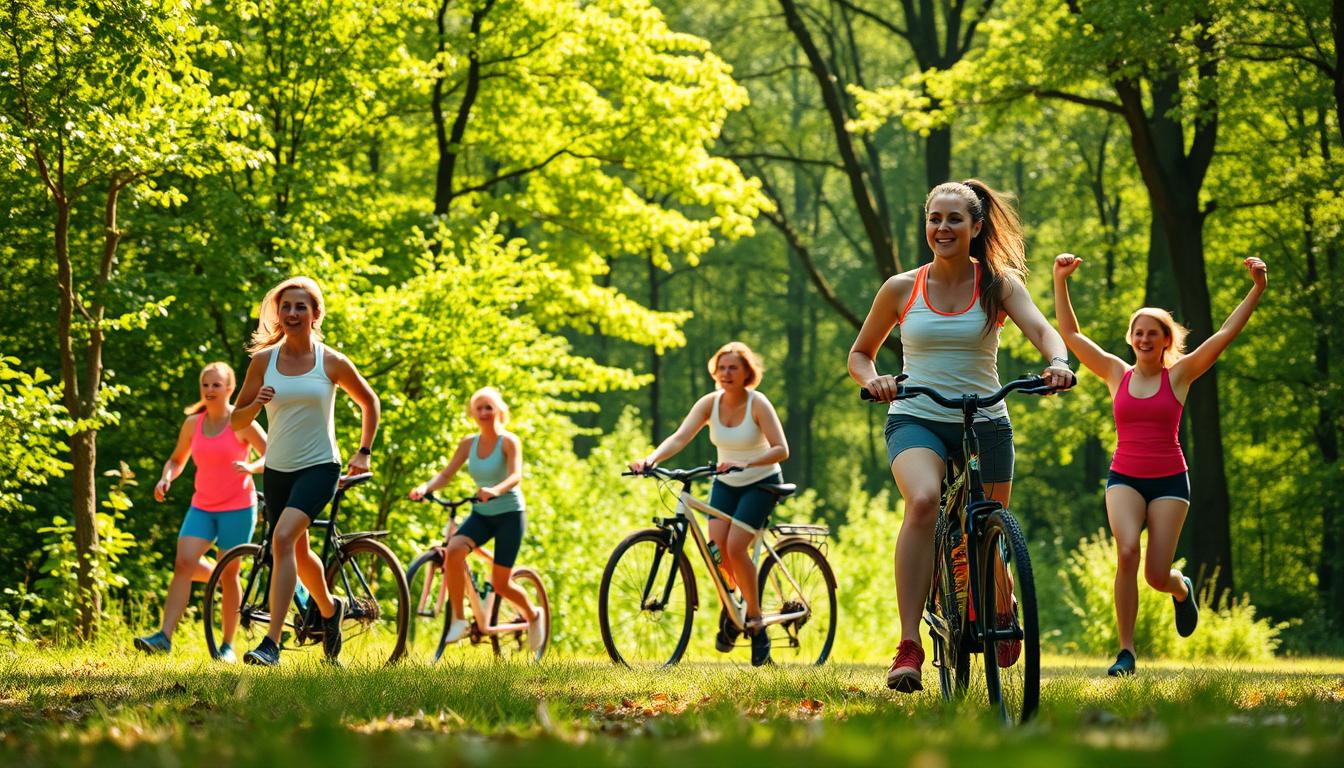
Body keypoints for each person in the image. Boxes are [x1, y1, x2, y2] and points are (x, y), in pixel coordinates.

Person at [849, 180, 1074, 692]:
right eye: (935, 218)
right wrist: (875, 379)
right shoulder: (901, 288)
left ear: (975, 226)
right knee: (924, 502)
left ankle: (999, 596)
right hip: (917, 417)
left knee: (989, 529)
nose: (943, 228)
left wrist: (1058, 362)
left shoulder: (998, 285)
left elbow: (1043, 331)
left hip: (986, 419)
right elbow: (860, 354)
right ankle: (909, 645)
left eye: (954, 219)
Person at [1053, 253, 1267, 676]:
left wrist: (1257, 288)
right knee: (1127, 551)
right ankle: (1126, 652)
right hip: (1124, 479)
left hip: (1170, 481)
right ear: (1131, 338)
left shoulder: (1180, 376)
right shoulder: (1116, 373)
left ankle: (1179, 588)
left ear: (1166, 340)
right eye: (1139, 333)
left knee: (1155, 575)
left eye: (1153, 333)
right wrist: (1060, 281)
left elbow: (1225, 333)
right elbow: (1072, 335)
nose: (1145, 339)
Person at [230, 276, 380, 666]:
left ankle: (271, 644)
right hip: (278, 470)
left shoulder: (331, 361)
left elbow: (369, 402)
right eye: (286, 307)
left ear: (315, 314)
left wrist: (363, 451)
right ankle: (330, 610)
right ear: (278, 314)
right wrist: (256, 404)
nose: (293, 313)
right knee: (298, 549)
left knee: (281, 540)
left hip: (320, 467)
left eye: (301, 307)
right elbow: (236, 420)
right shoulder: (264, 362)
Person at [628, 341, 789, 666]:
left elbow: (781, 449)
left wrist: (745, 463)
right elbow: (680, 437)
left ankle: (756, 624)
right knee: (717, 552)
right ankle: (733, 608)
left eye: (733, 368)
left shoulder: (758, 403)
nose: (726, 373)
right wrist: (651, 459)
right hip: (726, 483)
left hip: (761, 482)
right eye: (721, 367)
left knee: (735, 547)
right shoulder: (709, 404)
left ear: (747, 373)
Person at [135, 362, 266, 662]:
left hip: (237, 507)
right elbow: (176, 460)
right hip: (202, 506)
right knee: (184, 563)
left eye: (216, 385)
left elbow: (269, 453)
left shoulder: (241, 421)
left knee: (229, 572)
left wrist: (251, 467)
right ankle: (164, 637)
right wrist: (166, 477)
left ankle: (227, 646)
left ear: (230, 388)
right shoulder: (193, 424)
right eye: (205, 385)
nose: (209, 390)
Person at [408, 387, 545, 657]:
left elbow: (515, 476)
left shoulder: (509, 441)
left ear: (499, 411)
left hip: (509, 515)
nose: (483, 413)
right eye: (479, 408)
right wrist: (425, 488)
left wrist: (495, 490)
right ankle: (459, 619)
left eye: (488, 407)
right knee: (454, 550)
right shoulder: (468, 443)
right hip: (482, 514)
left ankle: (533, 614)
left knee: (501, 583)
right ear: (472, 413)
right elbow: (446, 475)